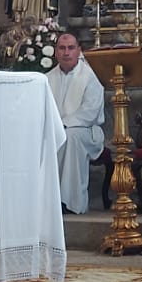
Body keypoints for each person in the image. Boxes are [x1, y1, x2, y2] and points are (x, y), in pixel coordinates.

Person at [45, 31, 106, 214]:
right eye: (62, 48)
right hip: (54, 130)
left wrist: (63, 125)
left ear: (79, 50)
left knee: (70, 137)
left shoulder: (91, 76)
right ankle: (46, 203)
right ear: (55, 52)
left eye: (71, 48)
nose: (66, 52)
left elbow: (90, 111)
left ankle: (71, 202)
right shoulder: (46, 78)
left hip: (86, 131)